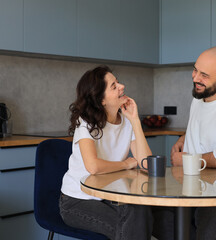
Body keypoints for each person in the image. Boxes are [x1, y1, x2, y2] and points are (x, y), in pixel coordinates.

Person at [152, 46, 216, 240]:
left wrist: (187, 160)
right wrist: (184, 138)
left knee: (207, 234)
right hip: (194, 189)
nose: (195, 78)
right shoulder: (199, 99)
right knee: (151, 218)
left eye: (204, 75)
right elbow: (202, 126)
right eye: (195, 70)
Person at [59, 65, 153, 240]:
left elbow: (146, 164)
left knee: (143, 212)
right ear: (101, 99)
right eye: (114, 86)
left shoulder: (126, 120)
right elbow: (93, 166)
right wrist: (126, 164)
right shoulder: (86, 122)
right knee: (130, 227)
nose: (122, 86)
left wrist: (135, 121)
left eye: (118, 82)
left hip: (109, 197)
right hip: (77, 200)